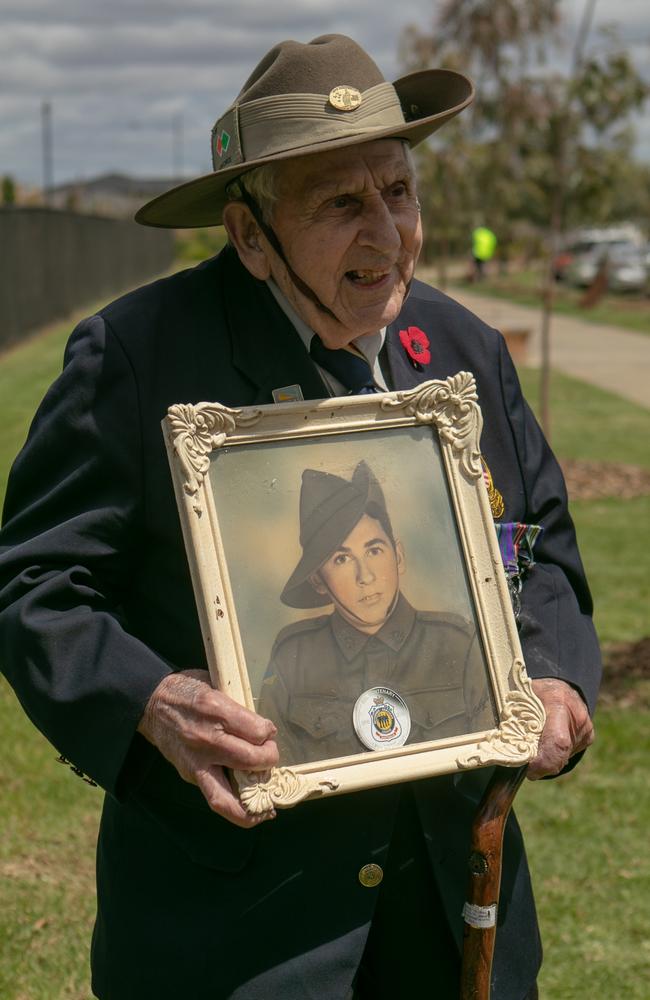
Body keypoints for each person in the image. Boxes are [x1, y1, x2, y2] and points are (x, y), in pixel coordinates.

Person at [0, 34, 599, 1000]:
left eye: (399, 193)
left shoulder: (463, 348)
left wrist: (558, 679)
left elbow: (544, 553)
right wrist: (151, 703)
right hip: (236, 929)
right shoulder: (134, 358)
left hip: (453, 906)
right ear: (247, 235)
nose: (388, 234)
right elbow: (35, 586)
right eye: (342, 204)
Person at [259, 460, 495, 765]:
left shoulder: (458, 644)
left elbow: (491, 757)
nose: (365, 576)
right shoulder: (294, 656)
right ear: (318, 580)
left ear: (398, 556)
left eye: (374, 550)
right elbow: (277, 772)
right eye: (341, 559)